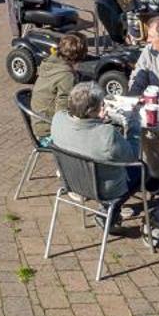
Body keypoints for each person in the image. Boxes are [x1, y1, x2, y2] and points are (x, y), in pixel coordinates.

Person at [49, 83, 143, 231]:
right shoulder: (106, 135)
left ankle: (108, 212)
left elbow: (82, 136)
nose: (104, 108)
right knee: (144, 170)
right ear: (93, 110)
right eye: (102, 105)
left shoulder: (58, 119)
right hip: (102, 189)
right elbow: (132, 157)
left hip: (72, 182)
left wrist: (98, 121)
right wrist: (134, 125)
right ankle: (108, 213)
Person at [29, 33, 88, 140]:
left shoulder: (50, 63)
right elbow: (62, 111)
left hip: (39, 123)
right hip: (48, 132)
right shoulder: (66, 76)